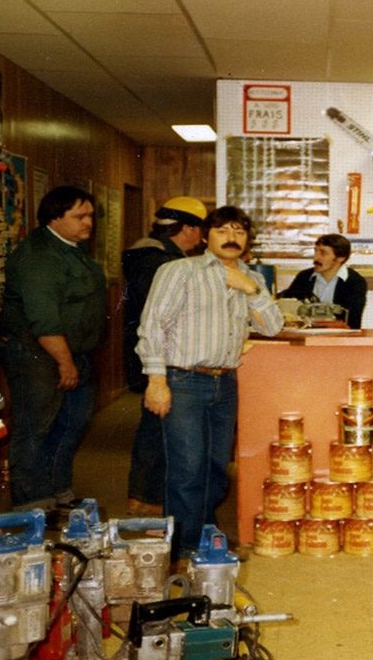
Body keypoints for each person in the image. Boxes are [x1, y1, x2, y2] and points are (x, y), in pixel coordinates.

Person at [137, 205, 284, 559]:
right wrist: (156, 381)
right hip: (183, 379)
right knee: (188, 467)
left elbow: (273, 326)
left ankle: (203, 537)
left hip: (225, 383)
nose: (231, 238)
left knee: (217, 467)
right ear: (205, 236)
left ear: (248, 240)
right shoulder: (180, 270)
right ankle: (186, 547)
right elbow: (153, 326)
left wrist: (250, 289)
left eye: (239, 231)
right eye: (222, 231)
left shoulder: (251, 278)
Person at [0, 185, 106, 513]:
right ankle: (31, 503)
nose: (88, 222)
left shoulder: (71, 248)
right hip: (39, 354)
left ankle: (59, 491)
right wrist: (65, 362)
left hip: (73, 353)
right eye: (79, 216)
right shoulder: (39, 256)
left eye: (90, 216)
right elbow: (43, 318)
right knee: (35, 427)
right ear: (54, 218)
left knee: (71, 423)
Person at [122, 196, 209, 516]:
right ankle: (148, 499)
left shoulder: (151, 254)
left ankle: (146, 496)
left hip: (157, 353)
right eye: (200, 229)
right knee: (159, 428)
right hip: (163, 355)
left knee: (157, 426)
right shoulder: (159, 260)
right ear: (187, 228)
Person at [277, 233, 368, 328]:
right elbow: (287, 304)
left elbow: (352, 320)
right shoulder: (304, 277)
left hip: (339, 338)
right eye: (315, 251)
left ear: (341, 258)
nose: (316, 258)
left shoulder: (354, 282)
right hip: (305, 337)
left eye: (323, 253)